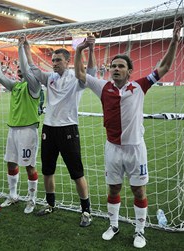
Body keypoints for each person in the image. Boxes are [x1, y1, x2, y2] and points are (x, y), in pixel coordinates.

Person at [74, 21, 182, 248]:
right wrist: (79, 50)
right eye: (113, 65)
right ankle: (113, 225)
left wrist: (174, 40)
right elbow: (81, 73)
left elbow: (163, 68)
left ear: (129, 71)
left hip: (135, 148)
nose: (115, 69)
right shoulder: (102, 87)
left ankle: (140, 231)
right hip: (112, 148)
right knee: (113, 188)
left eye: (121, 66)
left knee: (138, 190)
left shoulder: (140, 86)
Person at [22, 38, 97, 227]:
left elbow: (92, 72)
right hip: (49, 129)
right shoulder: (50, 78)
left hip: (68, 129)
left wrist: (92, 49)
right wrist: (27, 47)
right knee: (47, 170)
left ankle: (86, 210)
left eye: (58, 60)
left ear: (67, 61)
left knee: (76, 172)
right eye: (53, 60)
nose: (54, 63)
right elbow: (34, 69)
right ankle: (50, 204)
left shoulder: (76, 78)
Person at [0, 37, 41, 214]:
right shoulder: (16, 86)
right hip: (13, 130)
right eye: (18, 68)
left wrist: (20, 47)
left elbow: (27, 69)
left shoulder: (34, 86)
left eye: (22, 68)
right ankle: (13, 195)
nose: (20, 70)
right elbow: (0, 76)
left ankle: (32, 199)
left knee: (29, 165)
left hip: (28, 130)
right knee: (11, 163)